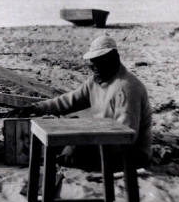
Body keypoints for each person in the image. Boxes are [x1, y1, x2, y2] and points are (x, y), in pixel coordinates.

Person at [11, 35, 152, 171]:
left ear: (113, 59)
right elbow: (70, 100)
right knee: (53, 142)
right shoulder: (97, 80)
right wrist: (36, 108)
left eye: (100, 62)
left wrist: (82, 144)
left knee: (71, 153)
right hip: (105, 139)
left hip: (129, 154)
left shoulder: (126, 88)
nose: (94, 67)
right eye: (92, 63)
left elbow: (126, 136)